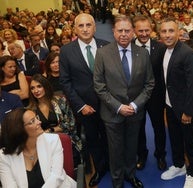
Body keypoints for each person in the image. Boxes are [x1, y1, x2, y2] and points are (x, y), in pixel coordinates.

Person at [94, 14, 154, 188]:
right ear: (113, 32)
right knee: (115, 150)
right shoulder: (103, 53)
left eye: (127, 31)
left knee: (131, 147)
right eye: (120, 30)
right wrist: (118, 107)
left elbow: (149, 84)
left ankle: (130, 174)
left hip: (135, 113)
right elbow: (99, 86)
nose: (124, 34)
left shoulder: (142, 53)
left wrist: (135, 105)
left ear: (133, 33)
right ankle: (117, 181)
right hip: (112, 114)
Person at [59, 13, 109, 187]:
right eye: (81, 26)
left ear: (95, 27)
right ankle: (101, 169)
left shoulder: (107, 46)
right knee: (93, 140)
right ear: (75, 29)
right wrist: (80, 106)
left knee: (112, 138)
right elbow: (65, 81)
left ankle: (115, 166)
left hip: (108, 105)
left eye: (89, 25)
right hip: (85, 107)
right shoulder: (66, 51)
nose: (85, 29)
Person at [159, 17, 193, 188]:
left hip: (186, 109)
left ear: (178, 32)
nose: (167, 35)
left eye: (171, 31)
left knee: (190, 142)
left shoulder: (187, 53)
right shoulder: (164, 50)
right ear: (160, 34)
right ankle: (179, 165)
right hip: (170, 105)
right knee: (175, 139)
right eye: (164, 31)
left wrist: (188, 112)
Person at [0, 108, 76, 187]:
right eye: (32, 121)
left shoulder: (53, 141)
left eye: (37, 118)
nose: (39, 122)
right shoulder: (4, 156)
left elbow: (56, 177)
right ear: (19, 129)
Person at [132, 15, 167, 171]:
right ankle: (141, 154)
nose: (144, 34)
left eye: (147, 30)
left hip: (156, 96)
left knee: (159, 127)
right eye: (140, 31)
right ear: (134, 31)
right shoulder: (128, 46)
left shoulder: (161, 48)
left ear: (152, 30)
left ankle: (160, 155)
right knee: (138, 128)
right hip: (135, 97)